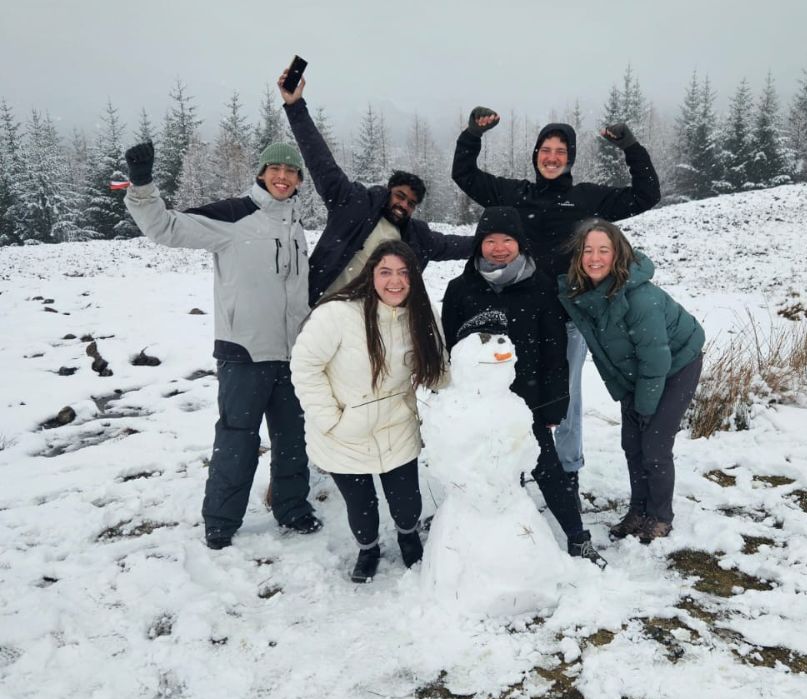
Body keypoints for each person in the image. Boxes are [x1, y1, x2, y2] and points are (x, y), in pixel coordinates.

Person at [124, 141, 322, 550]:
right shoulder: (234, 215)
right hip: (245, 353)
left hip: (292, 354)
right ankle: (221, 520)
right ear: (262, 173)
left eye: (291, 171)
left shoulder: (296, 224)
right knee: (236, 440)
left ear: (300, 179)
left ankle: (293, 509)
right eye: (275, 169)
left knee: (293, 439)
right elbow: (165, 228)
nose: (282, 177)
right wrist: (142, 187)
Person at [451, 107, 661, 488]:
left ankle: (566, 473)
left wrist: (630, 147)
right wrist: (472, 135)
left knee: (564, 401)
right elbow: (464, 175)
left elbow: (647, 194)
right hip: (515, 316)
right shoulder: (516, 194)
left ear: (571, 158)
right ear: (535, 155)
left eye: (560, 152)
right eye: (545, 150)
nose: (552, 157)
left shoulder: (585, 198)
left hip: (567, 320)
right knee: (510, 392)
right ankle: (514, 467)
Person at [441, 207, 605, 566]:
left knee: (547, 467)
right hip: (480, 402)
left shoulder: (540, 285)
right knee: (481, 468)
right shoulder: (459, 289)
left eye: (507, 240)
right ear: (479, 244)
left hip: (527, 402)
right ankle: (470, 536)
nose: (499, 248)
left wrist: (553, 406)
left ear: (520, 243)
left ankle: (577, 537)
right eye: (490, 240)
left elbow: (553, 352)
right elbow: (452, 349)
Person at [290, 240, 448, 582]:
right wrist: (331, 419)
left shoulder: (421, 315)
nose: (395, 281)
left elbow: (441, 367)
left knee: (407, 503)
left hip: (396, 427)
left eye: (404, 273)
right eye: (386, 272)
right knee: (361, 509)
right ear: (370, 274)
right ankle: (368, 548)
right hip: (345, 433)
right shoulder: (338, 314)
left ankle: (408, 536)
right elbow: (304, 367)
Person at [557, 220, 704, 543]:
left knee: (654, 446)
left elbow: (656, 360)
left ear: (618, 254)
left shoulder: (641, 300)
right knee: (632, 444)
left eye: (603, 250)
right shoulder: (583, 292)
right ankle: (638, 510)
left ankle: (660, 516)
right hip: (634, 370)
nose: (595, 258)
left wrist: (646, 407)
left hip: (676, 364)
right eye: (587, 250)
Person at [277, 70, 475, 306]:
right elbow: (320, 161)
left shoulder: (416, 238)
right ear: (388, 190)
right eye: (400, 196)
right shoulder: (353, 204)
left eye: (411, 203)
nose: (403, 205)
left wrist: (499, 240)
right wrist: (296, 106)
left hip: (367, 325)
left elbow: (457, 245)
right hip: (321, 310)